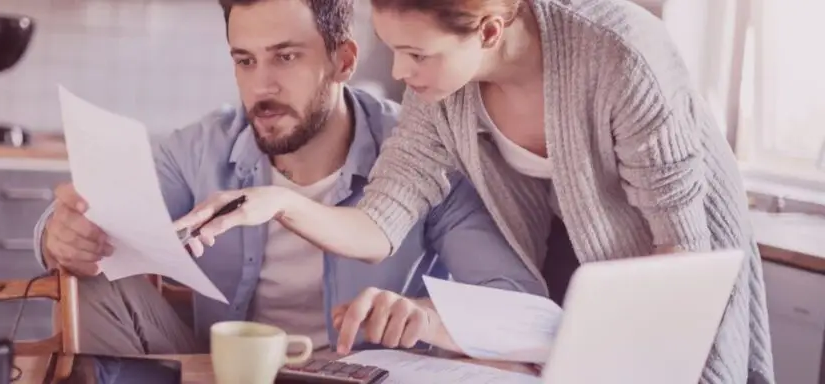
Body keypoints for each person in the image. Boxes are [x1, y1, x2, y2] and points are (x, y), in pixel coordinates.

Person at [175, 0, 774, 382]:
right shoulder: (440, 92)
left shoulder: (620, 54)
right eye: (393, 50)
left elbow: (681, 254)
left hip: (672, 256)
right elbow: (380, 221)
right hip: (568, 257)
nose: (400, 73)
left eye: (415, 54)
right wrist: (283, 204)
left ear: (489, 29)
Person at [34, 0, 543, 358]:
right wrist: (61, 237)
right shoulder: (197, 148)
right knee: (90, 279)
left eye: (286, 56)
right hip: (220, 372)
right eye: (245, 61)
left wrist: (423, 315)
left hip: (364, 375)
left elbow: (516, 304)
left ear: (342, 61)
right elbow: (91, 227)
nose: (262, 86)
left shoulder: (425, 153)